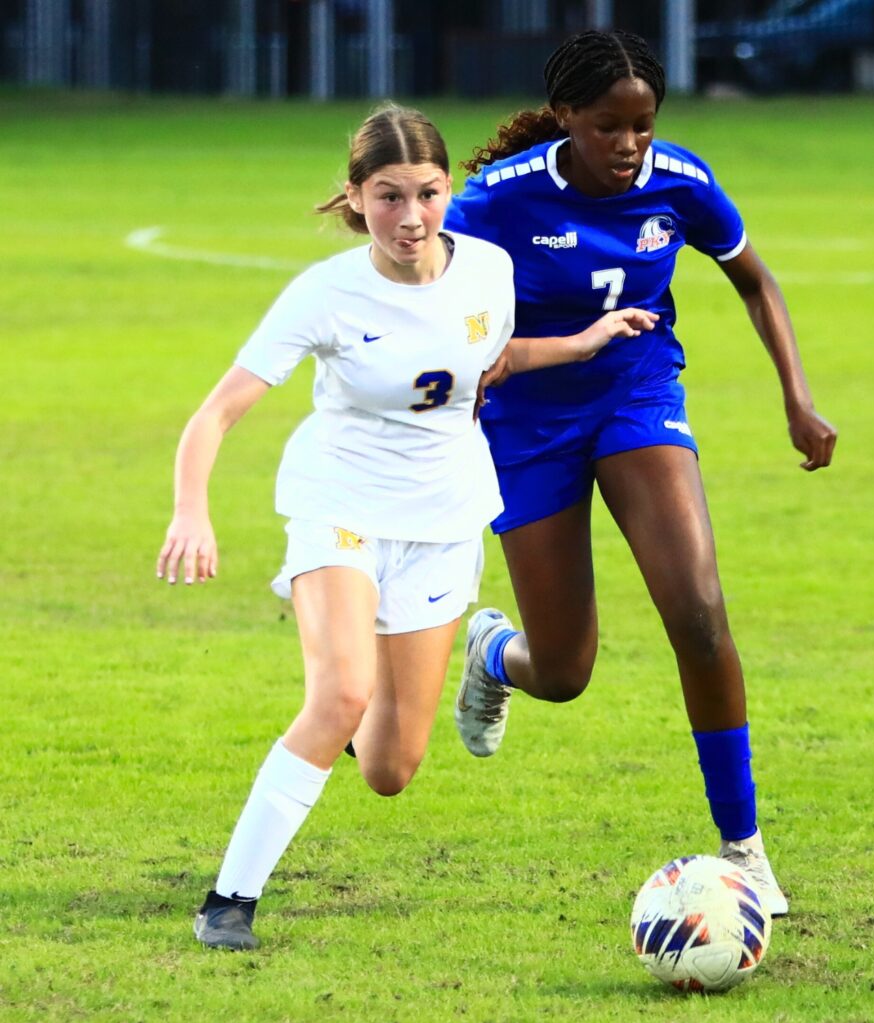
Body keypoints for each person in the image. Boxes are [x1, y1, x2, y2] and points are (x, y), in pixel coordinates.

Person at [156, 103, 657, 951]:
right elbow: (215, 414)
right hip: (340, 506)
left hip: (443, 519)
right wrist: (190, 510)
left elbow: (486, 366)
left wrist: (578, 344)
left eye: (426, 193)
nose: (411, 217)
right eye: (387, 197)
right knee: (341, 692)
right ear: (356, 198)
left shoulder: (488, 272)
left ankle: (469, 656)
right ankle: (229, 901)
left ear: (447, 189)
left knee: (390, 768)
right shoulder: (326, 293)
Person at [444, 30, 838, 918]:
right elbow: (432, 287)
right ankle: (494, 654)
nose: (630, 146)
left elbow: (754, 280)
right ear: (568, 119)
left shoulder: (681, 182)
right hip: (528, 417)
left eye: (644, 126)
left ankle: (746, 848)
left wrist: (797, 399)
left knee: (697, 612)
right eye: (610, 127)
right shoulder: (498, 200)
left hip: (636, 395)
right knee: (566, 670)